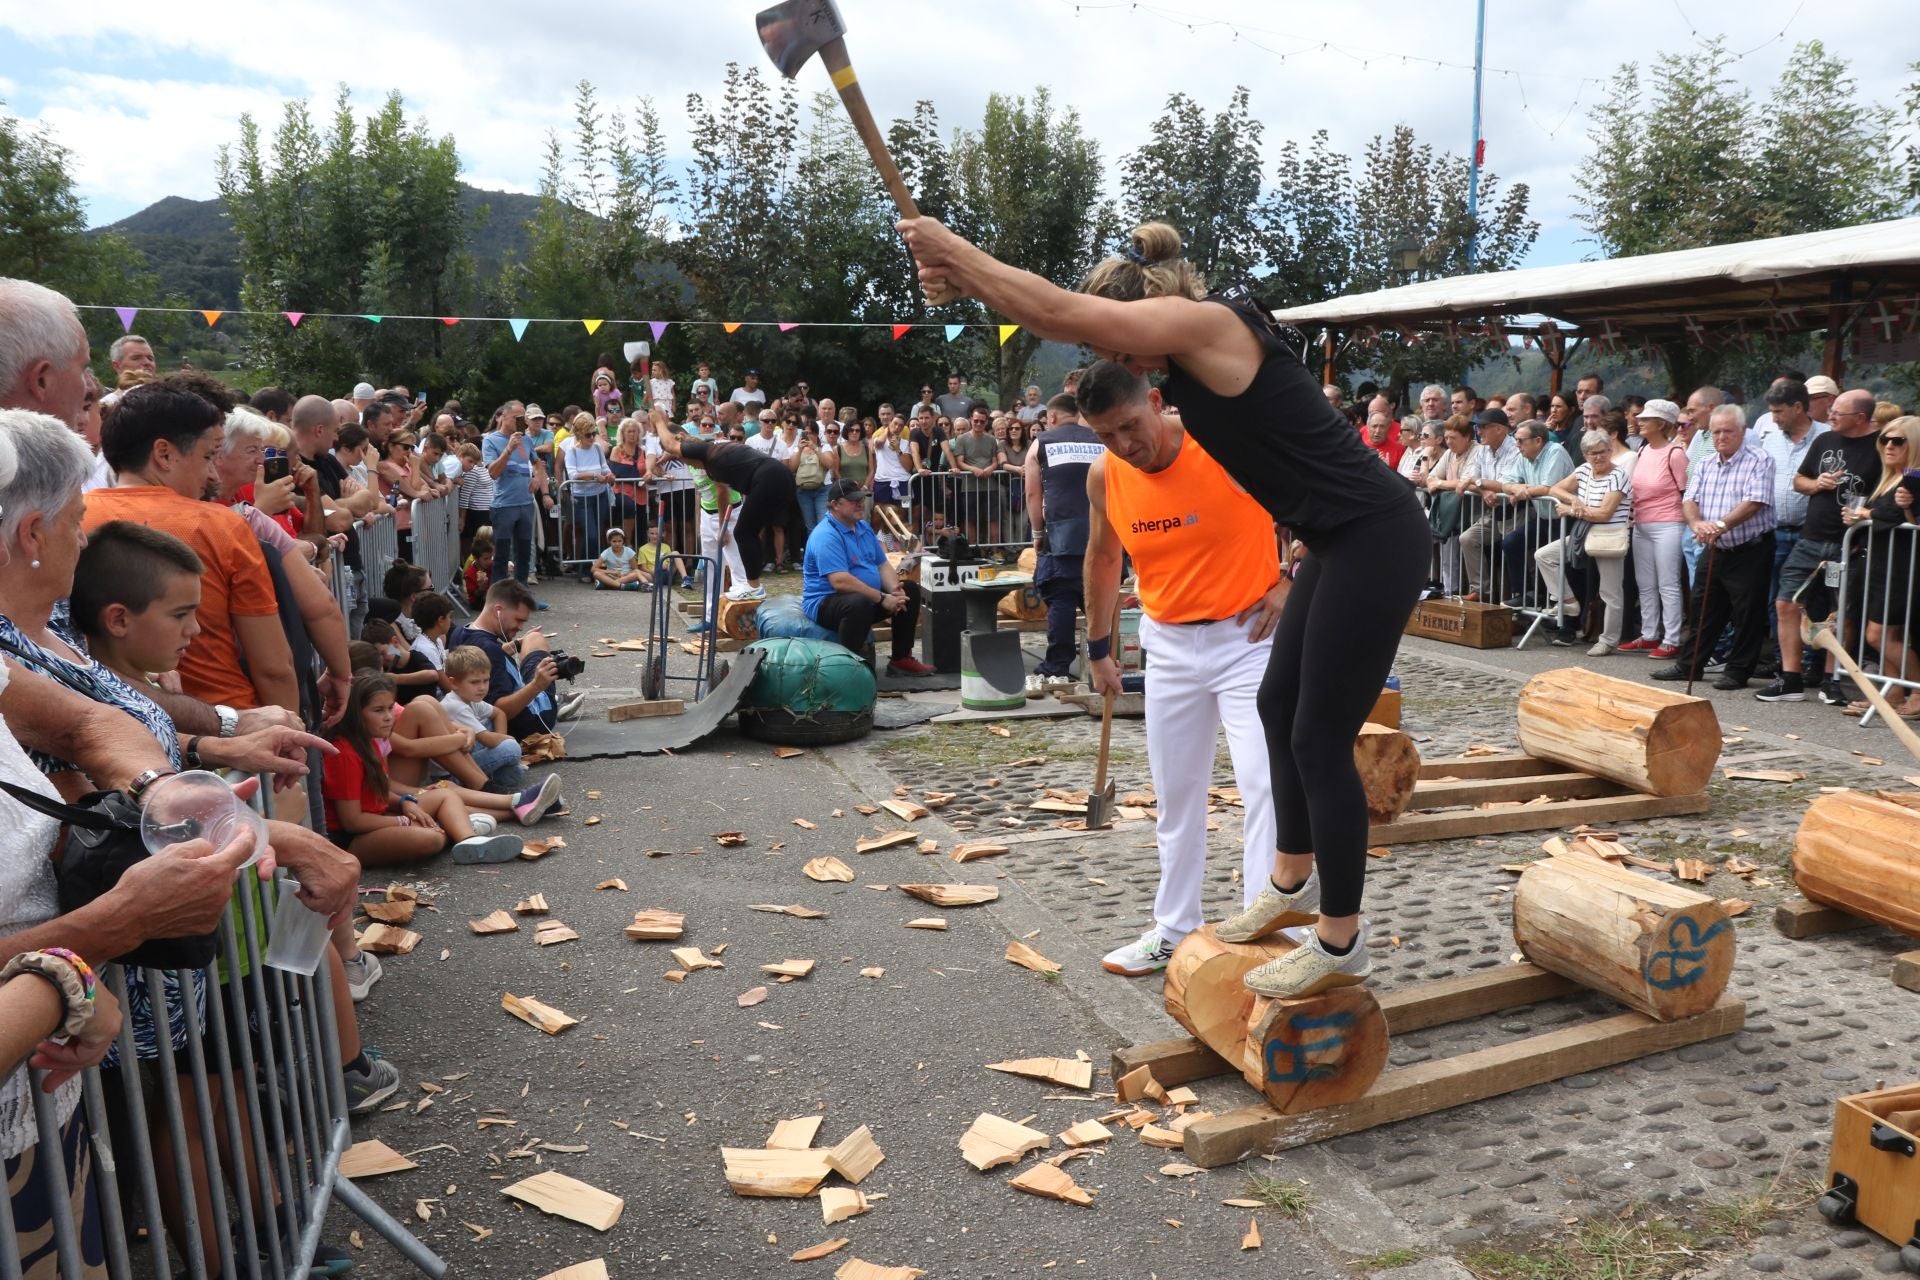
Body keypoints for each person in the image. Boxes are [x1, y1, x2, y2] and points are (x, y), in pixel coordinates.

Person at [901, 216, 1432, 996]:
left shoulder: (1208, 325)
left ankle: (1340, 939)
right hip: (1335, 540)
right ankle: (1291, 882)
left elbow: (1052, 311)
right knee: (1280, 705)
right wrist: (968, 281)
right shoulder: (1183, 366)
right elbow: (1052, 317)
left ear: (1145, 313)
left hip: (1376, 536)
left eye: (1119, 349)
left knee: (1318, 737)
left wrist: (954, 252)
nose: (1119, 364)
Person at [1065, 371, 1287, 976]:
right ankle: (1174, 927)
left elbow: (1322, 499)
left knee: (1266, 785)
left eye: (1130, 426)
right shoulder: (1105, 473)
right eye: (1105, 435)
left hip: (1247, 637)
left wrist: (1292, 579)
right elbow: (1103, 556)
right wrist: (1099, 646)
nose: (1124, 445)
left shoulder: (1223, 443)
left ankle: (1264, 931)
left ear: (1157, 403)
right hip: (1167, 641)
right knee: (1176, 793)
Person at [83, 374, 306, 720]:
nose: (213, 475)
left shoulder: (73, 520)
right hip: (231, 723)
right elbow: (274, 666)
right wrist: (287, 733)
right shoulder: (222, 526)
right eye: (207, 457)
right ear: (164, 454)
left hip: (116, 723)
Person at [323, 675, 527, 865]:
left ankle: (469, 840)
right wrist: (401, 820)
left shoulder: (372, 739)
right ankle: (458, 824)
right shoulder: (344, 753)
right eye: (378, 710)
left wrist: (404, 802)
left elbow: (380, 789)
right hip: (354, 839)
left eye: (390, 708)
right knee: (432, 838)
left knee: (445, 794)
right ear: (355, 714)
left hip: (382, 816)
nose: (388, 717)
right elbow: (352, 822)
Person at [1760, 385, 1881, 705]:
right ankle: (1790, 679)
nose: (1830, 416)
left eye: (1838, 413)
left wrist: (1866, 515)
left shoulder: (1881, 446)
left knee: (1841, 613)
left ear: (1860, 417)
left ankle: (1832, 680)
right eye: (1831, 411)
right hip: (1811, 537)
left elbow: (1889, 490)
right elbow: (1799, 480)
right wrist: (1817, 483)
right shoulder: (1825, 440)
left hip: (1851, 543)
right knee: (1786, 602)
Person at [1654, 406, 1779, 687]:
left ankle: (1738, 671)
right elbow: (1689, 499)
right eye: (1716, 432)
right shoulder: (1706, 462)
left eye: (1728, 431)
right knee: (1703, 608)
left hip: (1750, 548)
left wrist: (1720, 525)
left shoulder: (1760, 459)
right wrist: (1697, 523)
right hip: (1714, 547)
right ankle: (1689, 665)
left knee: (1747, 613)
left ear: (1743, 432)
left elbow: (1754, 502)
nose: (1721, 437)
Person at [652, 420, 797, 602]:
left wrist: (658, 419)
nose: (689, 465)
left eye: (681, 458)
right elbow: (674, 447)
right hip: (777, 478)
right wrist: (669, 455)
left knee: (743, 533)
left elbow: (672, 444)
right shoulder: (710, 450)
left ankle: (753, 587)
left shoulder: (711, 460)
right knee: (747, 533)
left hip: (771, 478)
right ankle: (751, 587)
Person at [800, 480, 934, 676]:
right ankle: (850, 668)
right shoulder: (826, 535)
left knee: (909, 590)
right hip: (824, 602)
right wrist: (882, 598)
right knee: (858, 603)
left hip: (864, 597)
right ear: (835, 505)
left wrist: (895, 591)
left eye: (861, 499)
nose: (860, 504)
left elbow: (882, 565)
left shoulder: (863, 527)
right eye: (853, 500)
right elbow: (840, 581)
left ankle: (901, 659)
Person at [1023, 392, 1102, 690]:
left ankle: (1057, 666)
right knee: (1100, 598)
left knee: (1061, 597)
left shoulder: (1041, 443)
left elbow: (1033, 494)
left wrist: (1037, 535)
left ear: (1052, 417)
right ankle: (1103, 660)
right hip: (1103, 533)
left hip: (1061, 535)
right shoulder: (1101, 440)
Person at [1533, 430, 1634, 655]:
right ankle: (1568, 601)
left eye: (1603, 452)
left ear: (1610, 451)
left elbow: (1605, 513)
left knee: (1610, 592)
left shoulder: (1618, 476)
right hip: (1585, 532)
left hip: (1608, 535)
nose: (1599, 457)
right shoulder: (1584, 470)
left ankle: (1608, 640)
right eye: (1592, 453)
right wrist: (1574, 499)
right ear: (1585, 455)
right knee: (1544, 555)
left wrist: (1572, 510)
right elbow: (1555, 488)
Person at [1848, 416, 1920, 717]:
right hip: (1882, 565)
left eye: (1898, 440)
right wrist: (1862, 516)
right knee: (1885, 635)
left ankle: (1917, 690)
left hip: (1900, 568)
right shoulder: (1890, 478)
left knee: (1879, 635)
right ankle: (1894, 691)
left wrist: (1865, 514)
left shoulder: (1911, 480)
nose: (1889, 445)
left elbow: (1894, 515)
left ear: (1913, 444)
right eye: (1885, 439)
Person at [450, 578, 583, 738]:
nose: (520, 627)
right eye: (518, 620)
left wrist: (517, 644)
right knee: (536, 639)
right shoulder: (489, 651)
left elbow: (490, 656)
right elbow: (501, 711)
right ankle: (554, 701)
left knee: (530, 638)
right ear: (498, 610)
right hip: (533, 721)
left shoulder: (462, 632)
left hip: (484, 715)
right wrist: (537, 685)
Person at [1621, 400, 1689, 660]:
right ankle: (1649, 634)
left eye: (1646, 419)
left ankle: (1671, 639)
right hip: (1642, 523)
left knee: (1668, 583)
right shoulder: (1642, 450)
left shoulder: (1675, 454)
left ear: (1661, 424)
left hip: (1669, 523)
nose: (1640, 422)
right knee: (1645, 583)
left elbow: (1686, 493)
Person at [1494, 419, 1575, 608]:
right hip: (1544, 519)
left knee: (1558, 565)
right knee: (1511, 543)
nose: (1517, 445)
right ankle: (1524, 595)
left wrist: (1525, 491)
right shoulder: (1524, 456)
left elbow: (1548, 488)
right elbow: (1505, 482)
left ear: (1538, 440)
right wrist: (1518, 488)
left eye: (1521, 440)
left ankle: (1564, 615)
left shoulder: (1555, 451)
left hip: (1566, 518)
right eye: (1516, 440)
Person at [1424, 415, 1492, 597]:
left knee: (1461, 545)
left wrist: (1441, 483)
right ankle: (1446, 590)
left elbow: (1466, 482)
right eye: (1446, 438)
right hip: (1451, 514)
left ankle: (1460, 591)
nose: (1449, 442)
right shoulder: (1449, 454)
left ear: (1467, 436)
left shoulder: (1477, 451)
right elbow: (1431, 477)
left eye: (1453, 438)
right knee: (1442, 546)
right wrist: (1437, 482)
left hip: (1475, 513)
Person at [482, 401, 538, 588]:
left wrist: (538, 478)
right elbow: (493, 472)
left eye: (523, 418)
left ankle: (522, 592)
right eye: (517, 418)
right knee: (502, 554)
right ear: (503, 416)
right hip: (504, 505)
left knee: (524, 552)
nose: (521, 421)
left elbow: (538, 463)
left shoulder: (527, 440)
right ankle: (497, 594)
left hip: (526, 503)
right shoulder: (490, 440)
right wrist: (508, 449)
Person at [561, 413, 614, 580]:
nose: (592, 438)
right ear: (579, 435)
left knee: (598, 533)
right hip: (582, 497)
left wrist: (610, 475)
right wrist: (594, 476)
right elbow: (573, 474)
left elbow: (605, 467)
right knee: (590, 534)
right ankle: (586, 569)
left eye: (593, 434)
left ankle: (593, 569)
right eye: (588, 435)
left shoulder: (597, 448)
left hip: (600, 495)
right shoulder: (572, 451)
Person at [790, 424, 833, 532]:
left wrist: (815, 448)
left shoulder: (824, 447)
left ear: (817, 434)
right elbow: (792, 468)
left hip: (822, 489)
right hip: (803, 490)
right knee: (809, 526)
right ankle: (812, 543)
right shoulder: (797, 449)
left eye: (810, 433)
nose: (808, 436)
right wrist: (800, 450)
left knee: (823, 523)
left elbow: (829, 464)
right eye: (805, 433)